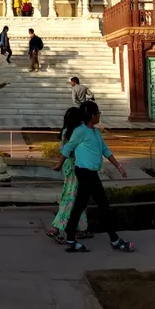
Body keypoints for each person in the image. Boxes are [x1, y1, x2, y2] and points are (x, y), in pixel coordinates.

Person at [54, 101, 134, 253]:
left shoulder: (96, 132)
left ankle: (71, 238)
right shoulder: (80, 131)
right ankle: (115, 240)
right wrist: (59, 165)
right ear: (92, 115)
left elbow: (105, 150)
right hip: (84, 173)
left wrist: (119, 166)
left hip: (91, 173)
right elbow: (68, 148)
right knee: (103, 205)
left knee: (79, 206)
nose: (99, 116)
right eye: (98, 113)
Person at [46, 107, 92, 244]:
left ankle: (81, 228)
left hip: (71, 168)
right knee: (71, 198)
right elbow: (69, 151)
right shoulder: (77, 133)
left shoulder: (66, 132)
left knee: (79, 198)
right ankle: (55, 228)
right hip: (76, 168)